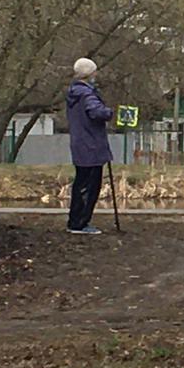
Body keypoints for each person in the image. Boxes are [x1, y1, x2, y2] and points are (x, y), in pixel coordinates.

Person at [65, 57, 113, 235]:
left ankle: (75, 220)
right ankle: (80, 223)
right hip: (91, 145)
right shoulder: (87, 94)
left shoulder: (74, 93)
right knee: (89, 186)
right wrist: (109, 112)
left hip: (81, 144)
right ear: (90, 73)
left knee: (81, 184)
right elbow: (96, 112)